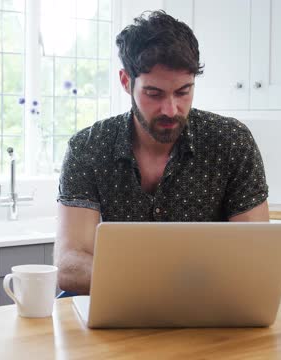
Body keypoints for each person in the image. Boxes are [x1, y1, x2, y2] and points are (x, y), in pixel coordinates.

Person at [54, 10, 269, 295]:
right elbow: (69, 266)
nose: (171, 109)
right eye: (154, 94)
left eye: (183, 92)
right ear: (126, 82)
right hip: (121, 303)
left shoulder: (231, 142)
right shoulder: (88, 148)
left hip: (207, 307)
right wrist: (163, 282)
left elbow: (257, 256)